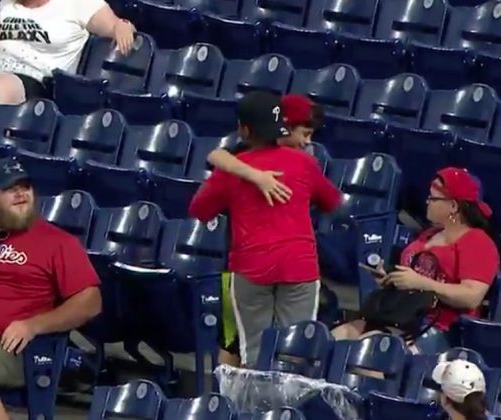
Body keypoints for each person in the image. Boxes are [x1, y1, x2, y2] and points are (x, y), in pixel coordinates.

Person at [188, 91, 342, 367]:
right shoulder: (305, 163)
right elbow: (332, 201)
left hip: (251, 266)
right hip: (298, 264)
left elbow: (199, 210)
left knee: (254, 354)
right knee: (296, 353)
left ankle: (252, 411)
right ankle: (286, 411)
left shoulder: (231, 169)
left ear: (243, 129)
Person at [0, 158, 102, 420]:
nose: (21, 193)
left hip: (16, 350)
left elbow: (90, 302)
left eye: (25, 187)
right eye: (10, 188)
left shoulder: (57, 242)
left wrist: (33, 325)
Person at [332, 167, 499, 354]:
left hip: (438, 329)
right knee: (336, 338)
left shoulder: (478, 243)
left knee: (366, 350)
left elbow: (471, 296)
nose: (427, 202)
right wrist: (390, 280)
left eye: (434, 199)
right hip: (399, 318)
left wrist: (422, 283)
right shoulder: (427, 236)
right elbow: (413, 281)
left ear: (453, 206)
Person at [0, 0, 136, 104]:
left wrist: (122, 25)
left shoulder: (78, 3)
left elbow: (116, 25)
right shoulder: (5, 4)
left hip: (34, 79)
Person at [207, 94, 324, 206]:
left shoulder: (307, 155)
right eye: (305, 134)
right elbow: (215, 156)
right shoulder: (259, 144)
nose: (308, 141)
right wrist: (257, 177)